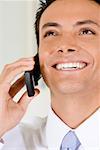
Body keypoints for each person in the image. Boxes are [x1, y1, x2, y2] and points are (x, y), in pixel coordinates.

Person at [0, 0, 100, 149]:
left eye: (86, 31)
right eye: (51, 33)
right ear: (37, 57)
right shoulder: (7, 139)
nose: (65, 46)